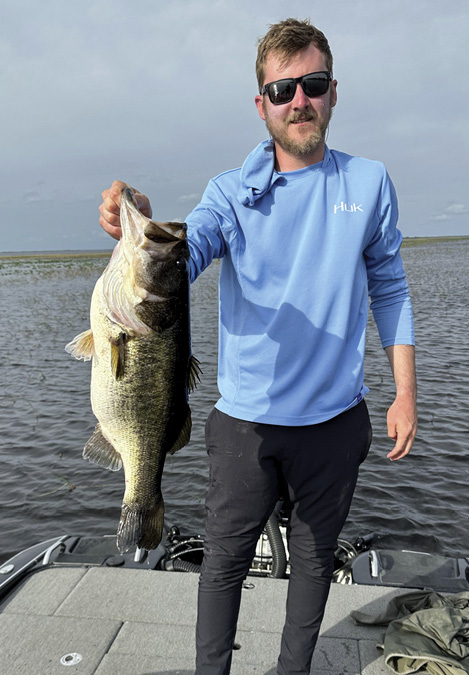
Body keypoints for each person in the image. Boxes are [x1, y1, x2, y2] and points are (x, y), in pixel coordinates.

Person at [99, 18, 417, 675]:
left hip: (336, 421)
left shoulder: (368, 183)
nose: (299, 100)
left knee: (314, 562)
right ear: (262, 103)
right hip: (245, 424)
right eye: (282, 89)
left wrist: (405, 392)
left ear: (333, 93)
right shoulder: (229, 191)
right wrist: (142, 222)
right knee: (223, 562)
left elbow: (389, 285)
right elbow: (187, 252)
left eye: (313, 84)